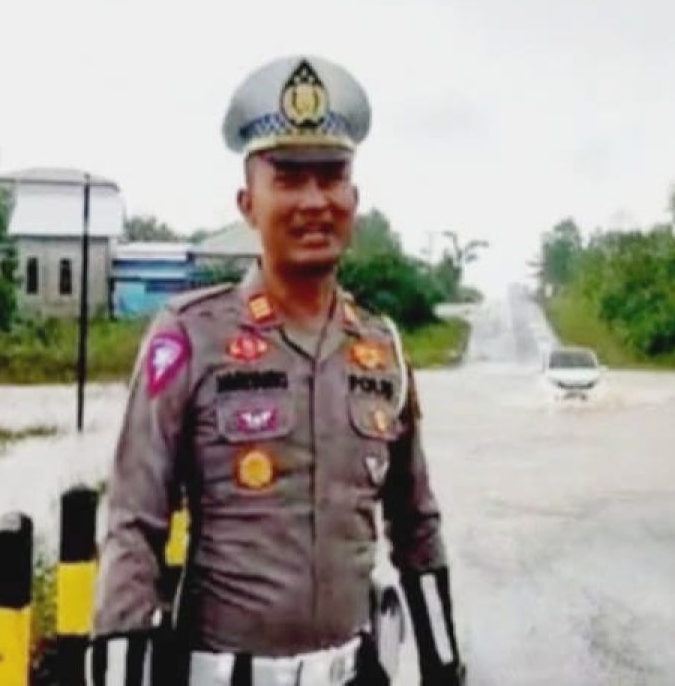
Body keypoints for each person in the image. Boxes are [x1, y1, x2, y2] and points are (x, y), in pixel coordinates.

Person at [89, 55, 467, 686]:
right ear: (248, 202)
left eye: (332, 176)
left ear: (354, 197)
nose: (314, 201)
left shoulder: (381, 347)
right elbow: (135, 528)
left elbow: (416, 525)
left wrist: (445, 666)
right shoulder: (190, 336)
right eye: (289, 178)